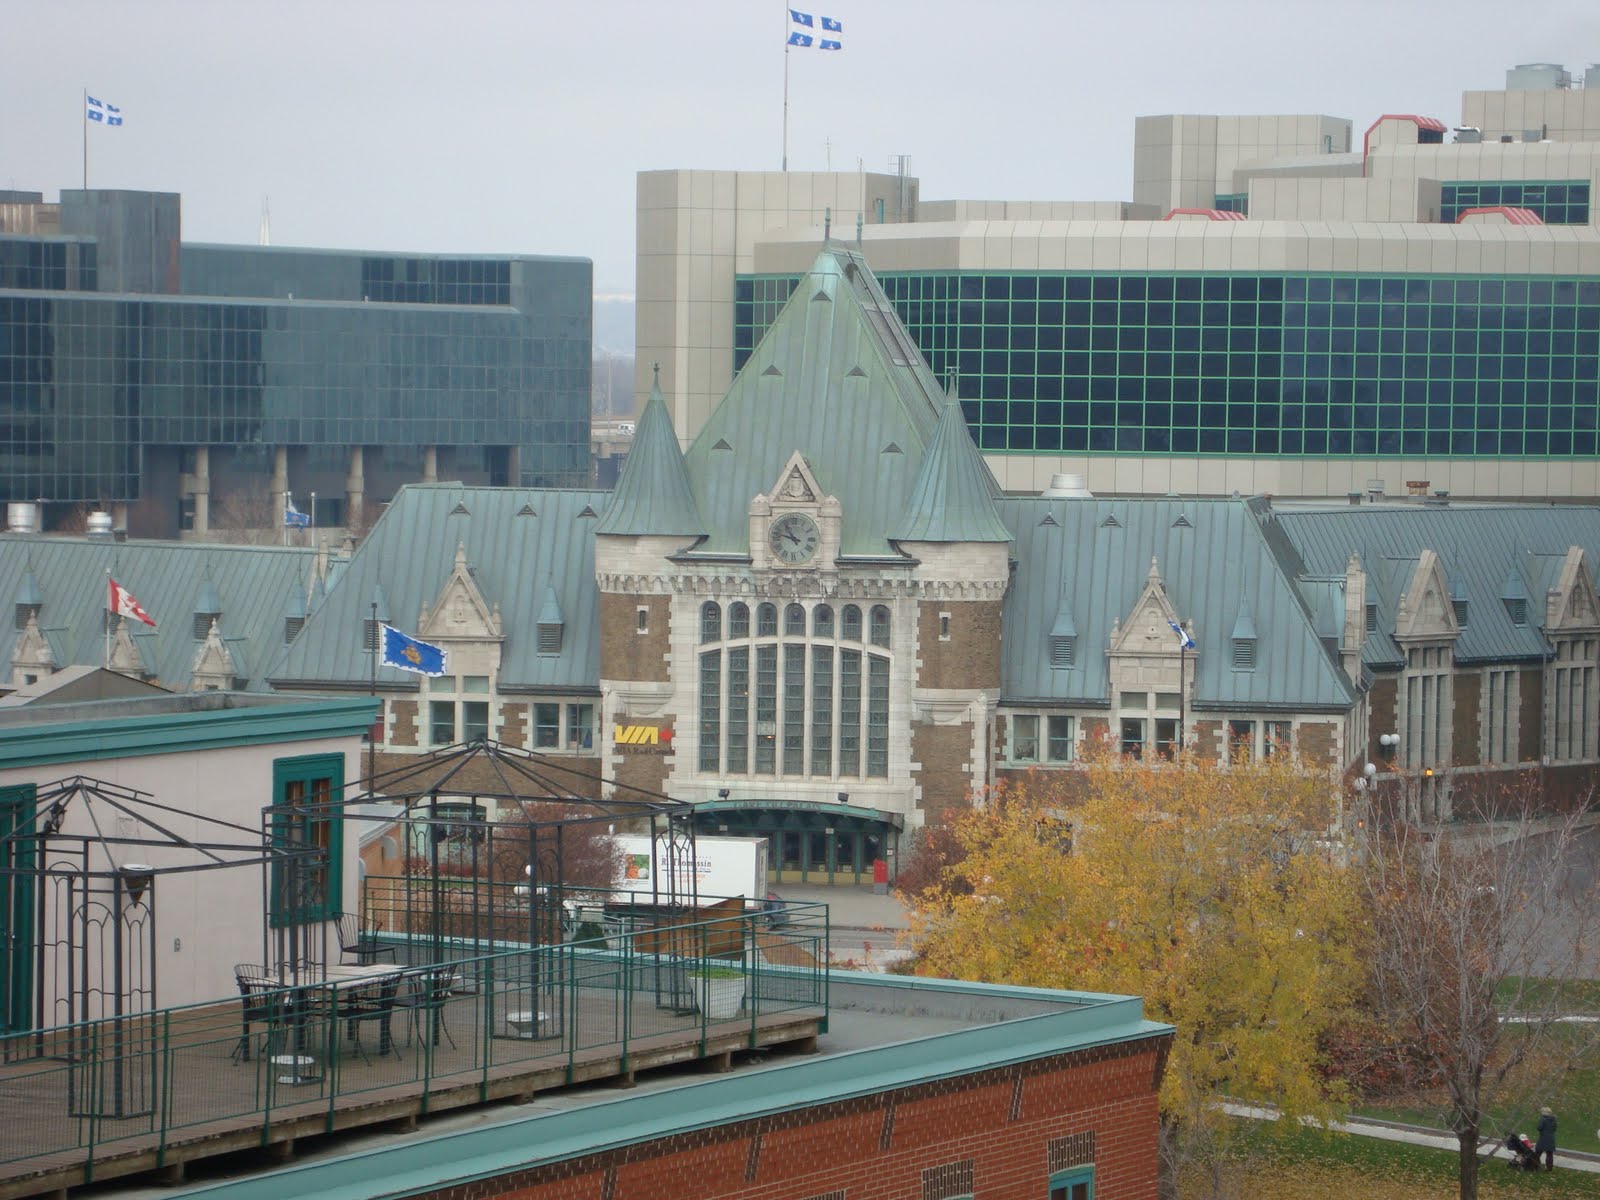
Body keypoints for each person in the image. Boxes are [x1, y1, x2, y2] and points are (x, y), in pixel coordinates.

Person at [1535, 1106, 1557, 1171]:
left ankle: (1535, 1165)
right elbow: (1554, 1129)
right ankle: (1549, 1168)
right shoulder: (1554, 1120)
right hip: (1551, 1138)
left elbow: (1539, 1128)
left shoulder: (1543, 1119)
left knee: (1537, 1153)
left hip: (1543, 1138)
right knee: (1549, 1154)